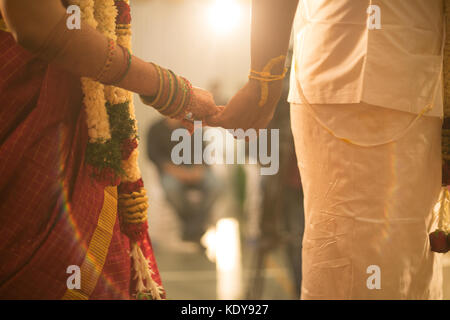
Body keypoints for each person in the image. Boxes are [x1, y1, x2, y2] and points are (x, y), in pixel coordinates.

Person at [207, 0, 444, 299]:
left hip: (414, 80)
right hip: (360, 73)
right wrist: (263, 83)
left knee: (409, 263)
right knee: (359, 260)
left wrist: (263, 85)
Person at [0, 0, 219, 299]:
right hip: (27, 126)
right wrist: (169, 89)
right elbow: (38, 23)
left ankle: (195, 233)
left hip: (80, 144)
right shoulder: (159, 130)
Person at [147, 118, 220, 244]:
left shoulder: (193, 126)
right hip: (171, 172)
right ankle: (191, 222)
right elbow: (154, 156)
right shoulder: (155, 129)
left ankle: (197, 221)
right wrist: (179, 173)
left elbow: (204, 153)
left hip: (195, 170)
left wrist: (198, 170)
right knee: (171, 188)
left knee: (216, 185)